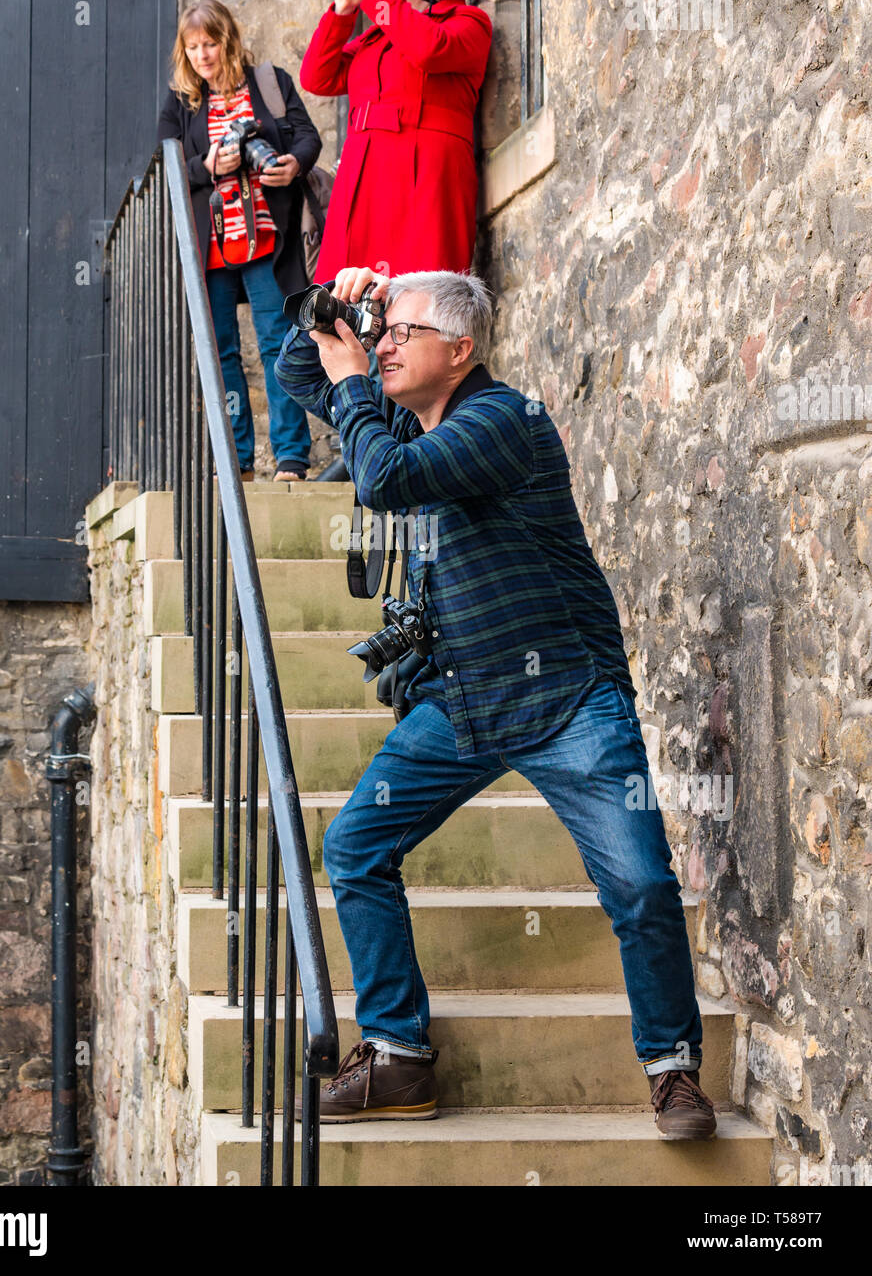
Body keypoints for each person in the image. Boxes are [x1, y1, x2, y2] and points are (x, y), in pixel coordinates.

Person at [275, 266, 717, 1140]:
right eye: (384, 331)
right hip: (464, 700)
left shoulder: (502, 421)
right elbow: (299, 373)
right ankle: (398, 1056)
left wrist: (360, 379)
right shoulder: (407, 412)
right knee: (355, 845)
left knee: (637, 881)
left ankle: (672, 1068)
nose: (386, 344)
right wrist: (338, 296)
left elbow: (386, 480)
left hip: (566, 696)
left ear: (461, 349)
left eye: (402, 331)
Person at [157, 0, 322, 482]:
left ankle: (291, 457)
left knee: (280, 342)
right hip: (211, 246)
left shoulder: (270, 84)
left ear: (226, 41)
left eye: (209, 43)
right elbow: (163, 171)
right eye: (192, 48)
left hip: (268, 239)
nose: (202, 55)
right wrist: (205, 167)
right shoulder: (180, 102)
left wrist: (294, 164)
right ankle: (238, 462)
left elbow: (307, 137)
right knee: (221, 348)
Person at [299, 0, 492, 283]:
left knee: (418, 300)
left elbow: (428, 48)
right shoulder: (376, 37)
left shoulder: (467, 22)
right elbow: (317, 78)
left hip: (425, 180)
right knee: (347, 303)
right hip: (363, 178)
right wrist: (343, 12)